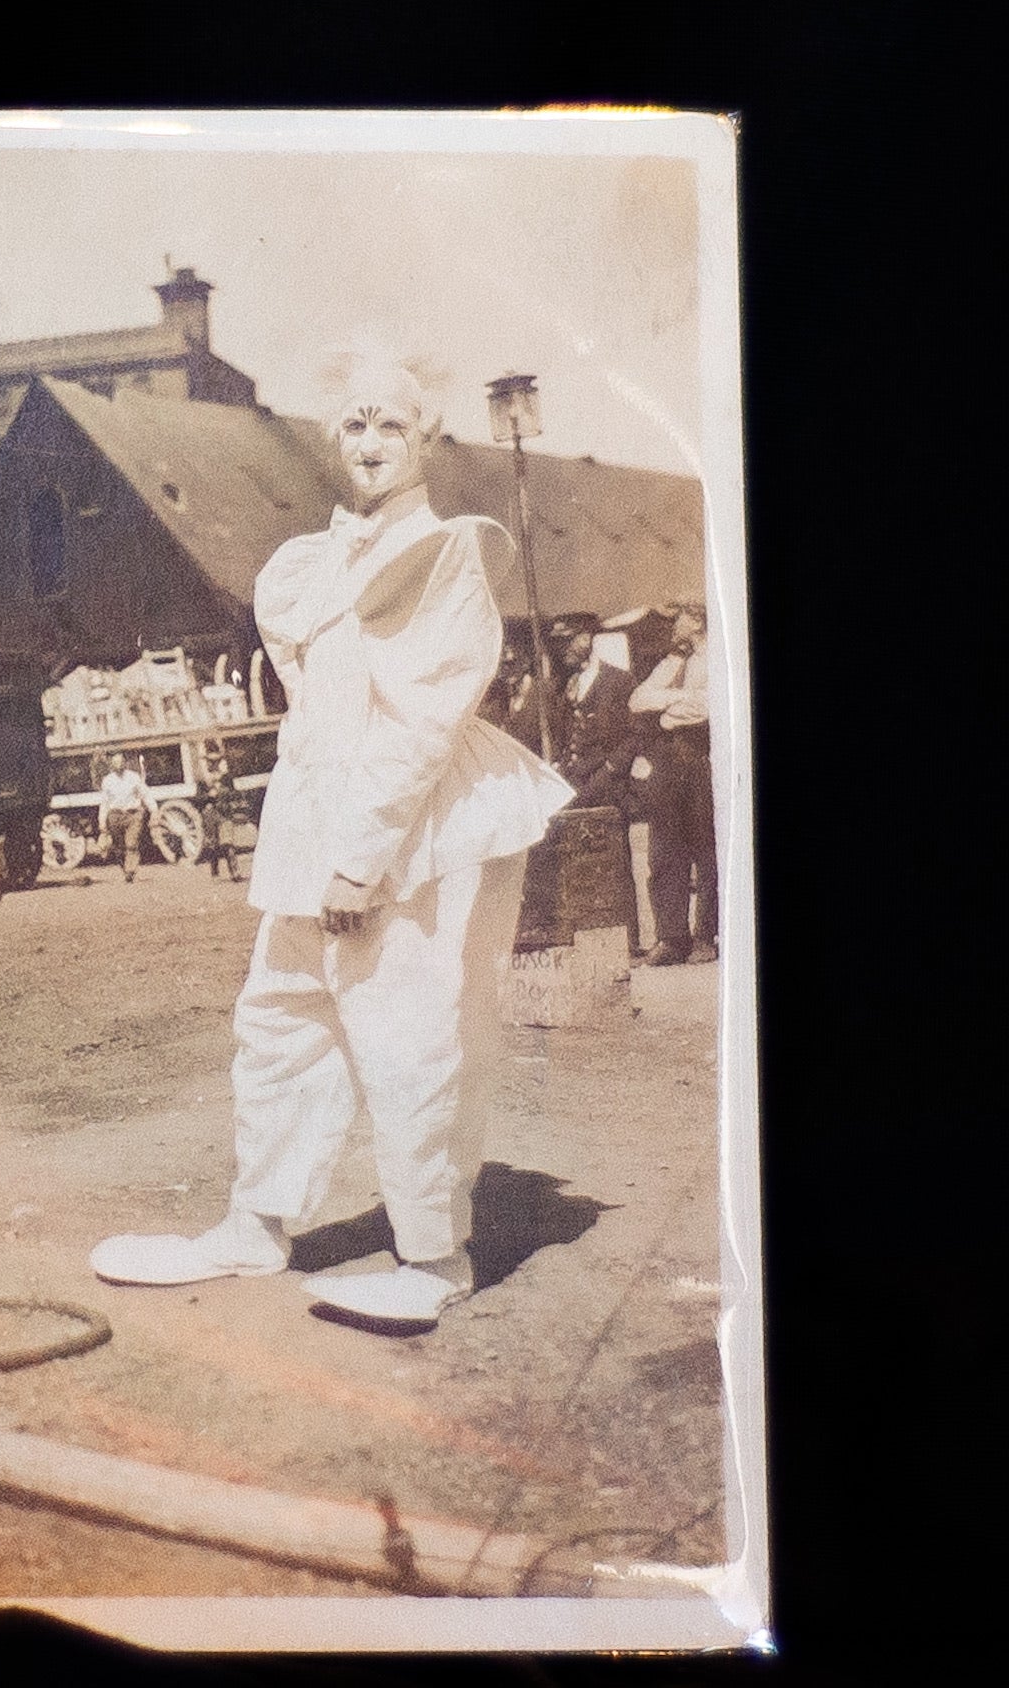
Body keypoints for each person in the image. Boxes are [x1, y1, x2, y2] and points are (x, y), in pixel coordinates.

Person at [89, 355, 574, 1329]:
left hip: (407, 822)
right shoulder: (306, 565)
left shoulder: (447, 559)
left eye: (391, 426)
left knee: (407, 1029)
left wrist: (365, 855)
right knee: (281, 1019)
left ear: (426, 439)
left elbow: (421, 725)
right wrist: (322, 841)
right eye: (354, 426)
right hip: (316, 813)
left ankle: (434, 1255)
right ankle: (257, 1221)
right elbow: (320, 706)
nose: (370, 444)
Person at [628, 601, 717, 965]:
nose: (673, 624)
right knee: (665, 850)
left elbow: (710, 707)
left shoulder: (719, 656)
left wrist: (666, 713)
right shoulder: (676, 660)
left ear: (695, 620)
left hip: (702, 755)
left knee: (707, 847)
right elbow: (638, 700)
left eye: (678, 617)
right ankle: (671, 937)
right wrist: (677, 700)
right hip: (671, 761)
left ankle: (709, 934)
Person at [552, 620, 642, 955]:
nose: (562, 652)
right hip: (576, 783)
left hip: (607, 783)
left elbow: (633, 735)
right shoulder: (570, 684)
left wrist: (610, 769)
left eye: (567, 644)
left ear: (586, 639)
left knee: (614, 861)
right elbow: (567, 734)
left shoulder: (618, 681)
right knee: (580, 862)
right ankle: (591, 937)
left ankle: (628, 942)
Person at [98, 752, 154, 882]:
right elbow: (104, 803)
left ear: (125, 763)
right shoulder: (107, 780)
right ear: (112, 765)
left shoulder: (133, 777)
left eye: (121, 762)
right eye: (115, 762)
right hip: (115, 816)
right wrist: (102, 821)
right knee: (118, 847)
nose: (119, 765)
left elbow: (145, 794)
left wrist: (154, 809)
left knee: (131, 843)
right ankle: (125, 868)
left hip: (133, 814)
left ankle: (131, 871)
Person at [199, 759, 242, 882]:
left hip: (224, 814)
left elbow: (234, 794)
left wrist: (222, 792)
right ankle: (215, 873)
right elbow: (198, 798)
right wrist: (208, 797)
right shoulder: (203, 780)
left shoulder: (227, 779)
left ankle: (235, 872)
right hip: (210, 816)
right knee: (213, 846)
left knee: (228, 844)